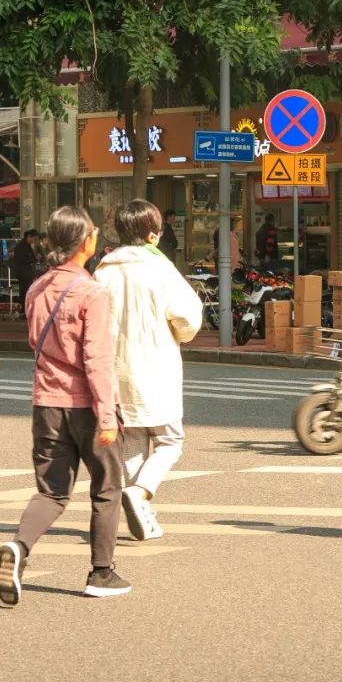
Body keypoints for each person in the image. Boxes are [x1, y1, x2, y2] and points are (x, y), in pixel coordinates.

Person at [0, 205, 130, 604]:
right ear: (85, 243)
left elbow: (39, 344)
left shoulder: (36, 288)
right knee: (107, 488)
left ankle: (18, 548)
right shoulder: (91, 292)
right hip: (86, 405)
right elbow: (97, 359)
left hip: (46, 402)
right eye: (92, 232)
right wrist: (107, 416)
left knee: (52, 492)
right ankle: (101, 573)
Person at [94, 199, 203, 541]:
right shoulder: (161, 269)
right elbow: (188, 318)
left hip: (115, 369)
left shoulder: (103, 271)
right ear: (154, 235)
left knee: (134, 440)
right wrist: (179, 334)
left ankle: (142, 510)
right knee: (170, 440)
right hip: (156, 366)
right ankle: (140, 493)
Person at [13, 230, 40, 311]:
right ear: (29, 236)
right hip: (23, 272)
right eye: (34, 238)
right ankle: (23, 308)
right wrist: (32, 260)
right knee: (24, 290)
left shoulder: (27, 245)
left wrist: (35, 259)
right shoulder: (21, 246)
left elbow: (33, 258)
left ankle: (24, 308)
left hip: (26, 272)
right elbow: (23, 259)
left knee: (25, 290)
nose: (34, 241)